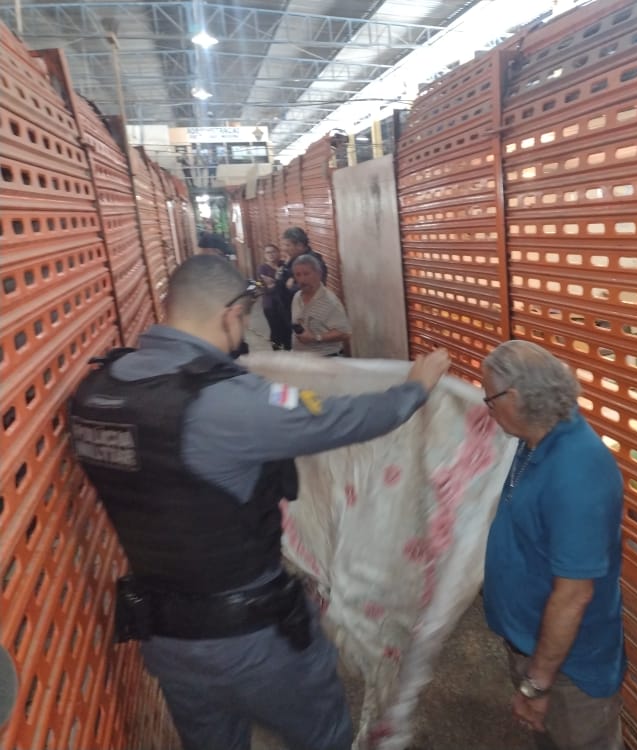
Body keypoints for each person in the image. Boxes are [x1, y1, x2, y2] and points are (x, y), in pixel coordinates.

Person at [68, 254, 451, 750]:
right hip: (255, 642)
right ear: (232, 313)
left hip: (166, 640)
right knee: (322, 737)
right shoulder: (224, 401)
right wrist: (414, 389)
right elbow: (338, 418)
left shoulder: (94, 394)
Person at [480, 340, 626, 750]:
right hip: (532, 648)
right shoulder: (534, 440)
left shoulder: (578, 471)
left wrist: (537, 686)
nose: (486, 407)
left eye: (489, 397)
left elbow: (574, 596)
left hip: (567, 671)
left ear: (519, 397)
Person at [290, 254, 350, 357]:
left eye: (306, 274)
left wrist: (315, 337)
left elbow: (345, 333)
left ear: (318, 274)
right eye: (298, 275)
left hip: (326, 359)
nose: (302, 280)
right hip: (302, 359)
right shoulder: (297, 297)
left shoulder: (330, 301)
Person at [257, 243, 290, 350]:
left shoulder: (284, 265)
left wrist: (275, 282)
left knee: (287, 328)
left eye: (273, 252)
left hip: (285, 303)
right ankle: (277, 354)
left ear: (279, 253)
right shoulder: (262, 268)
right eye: (268, 252)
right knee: (275, 329)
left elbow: (287, 283)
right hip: (270, 304)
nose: (271, 255)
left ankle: (289, 351)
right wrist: (279, 282)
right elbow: (266, 286)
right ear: (264, 255)